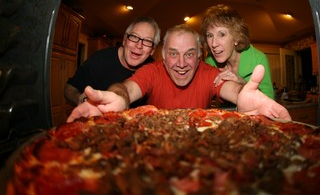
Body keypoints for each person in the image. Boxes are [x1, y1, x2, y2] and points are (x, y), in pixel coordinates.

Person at [67, 24, 291, 122]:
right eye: (173, 54)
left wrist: (244, 94)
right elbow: (125, 88)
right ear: (163, 56)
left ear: (199, 56)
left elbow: (233, 89)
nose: (182, 63)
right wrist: (117, 97)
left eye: (190, 54)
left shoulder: (208, 72)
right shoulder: (152, 71)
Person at [64, 16, 160, 107]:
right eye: (134, 37)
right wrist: (79, 99)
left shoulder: (153, 70)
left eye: (147, 41)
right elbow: (70, 88)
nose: (139, 46)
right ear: (124, 40)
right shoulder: (99, 59)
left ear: (152, 50)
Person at [201, 4, 274, 99]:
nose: (214, 44)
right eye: (210, 35)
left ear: (236, 37)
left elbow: (269, 101)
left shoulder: (258, 59)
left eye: (222, 34)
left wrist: (242, 83)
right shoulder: (210, 62)